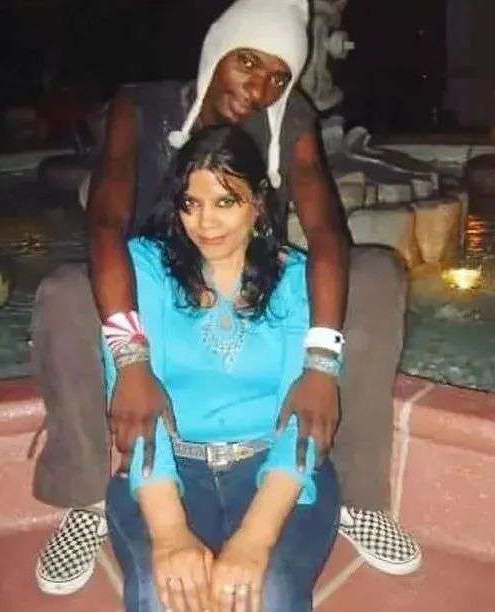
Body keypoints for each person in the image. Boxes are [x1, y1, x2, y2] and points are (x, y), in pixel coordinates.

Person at [32, 0, 420, 596]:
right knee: (64, 293)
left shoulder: (289, 118)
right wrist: (131, 358)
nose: (260, 88)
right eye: (247, 62)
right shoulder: (144, 106)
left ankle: (355, 495)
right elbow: (105, 222)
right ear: (217, 51)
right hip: (149, 269)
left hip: (249, 262)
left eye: (278, 76)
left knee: (374, 276)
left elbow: (324, 229)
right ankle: (86, 497)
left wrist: (320, 363)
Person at [106, 123, 340, 612]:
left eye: (225, 202)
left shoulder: (297, 279)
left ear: (258, 203)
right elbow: (136, 408)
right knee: (163, 595)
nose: (205, 222)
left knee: (267, 594)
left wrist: (254, 540)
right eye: (190, 203)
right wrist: (169, 533)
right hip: (166, 467)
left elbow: (299, 426)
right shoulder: (143, 269)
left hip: (273, 471)